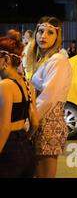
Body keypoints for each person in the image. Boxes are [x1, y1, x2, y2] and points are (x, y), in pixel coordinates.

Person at [25, 17, 73, 178]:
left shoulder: (58, 60)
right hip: (42, 120)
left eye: (50, 32)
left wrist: (31, 122)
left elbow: (48, 97)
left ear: (57, 36)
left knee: (45, 174)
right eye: (40, 31)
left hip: (48, 121)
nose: (43, 36)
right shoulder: (43, 60)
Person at [0, 32, 39, 177]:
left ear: (5, 59)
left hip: (8, 150)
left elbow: (4, 127)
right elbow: (35, 123)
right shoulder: (27, 84)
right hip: (26, 149)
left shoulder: (5, 86)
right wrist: (23, 139)